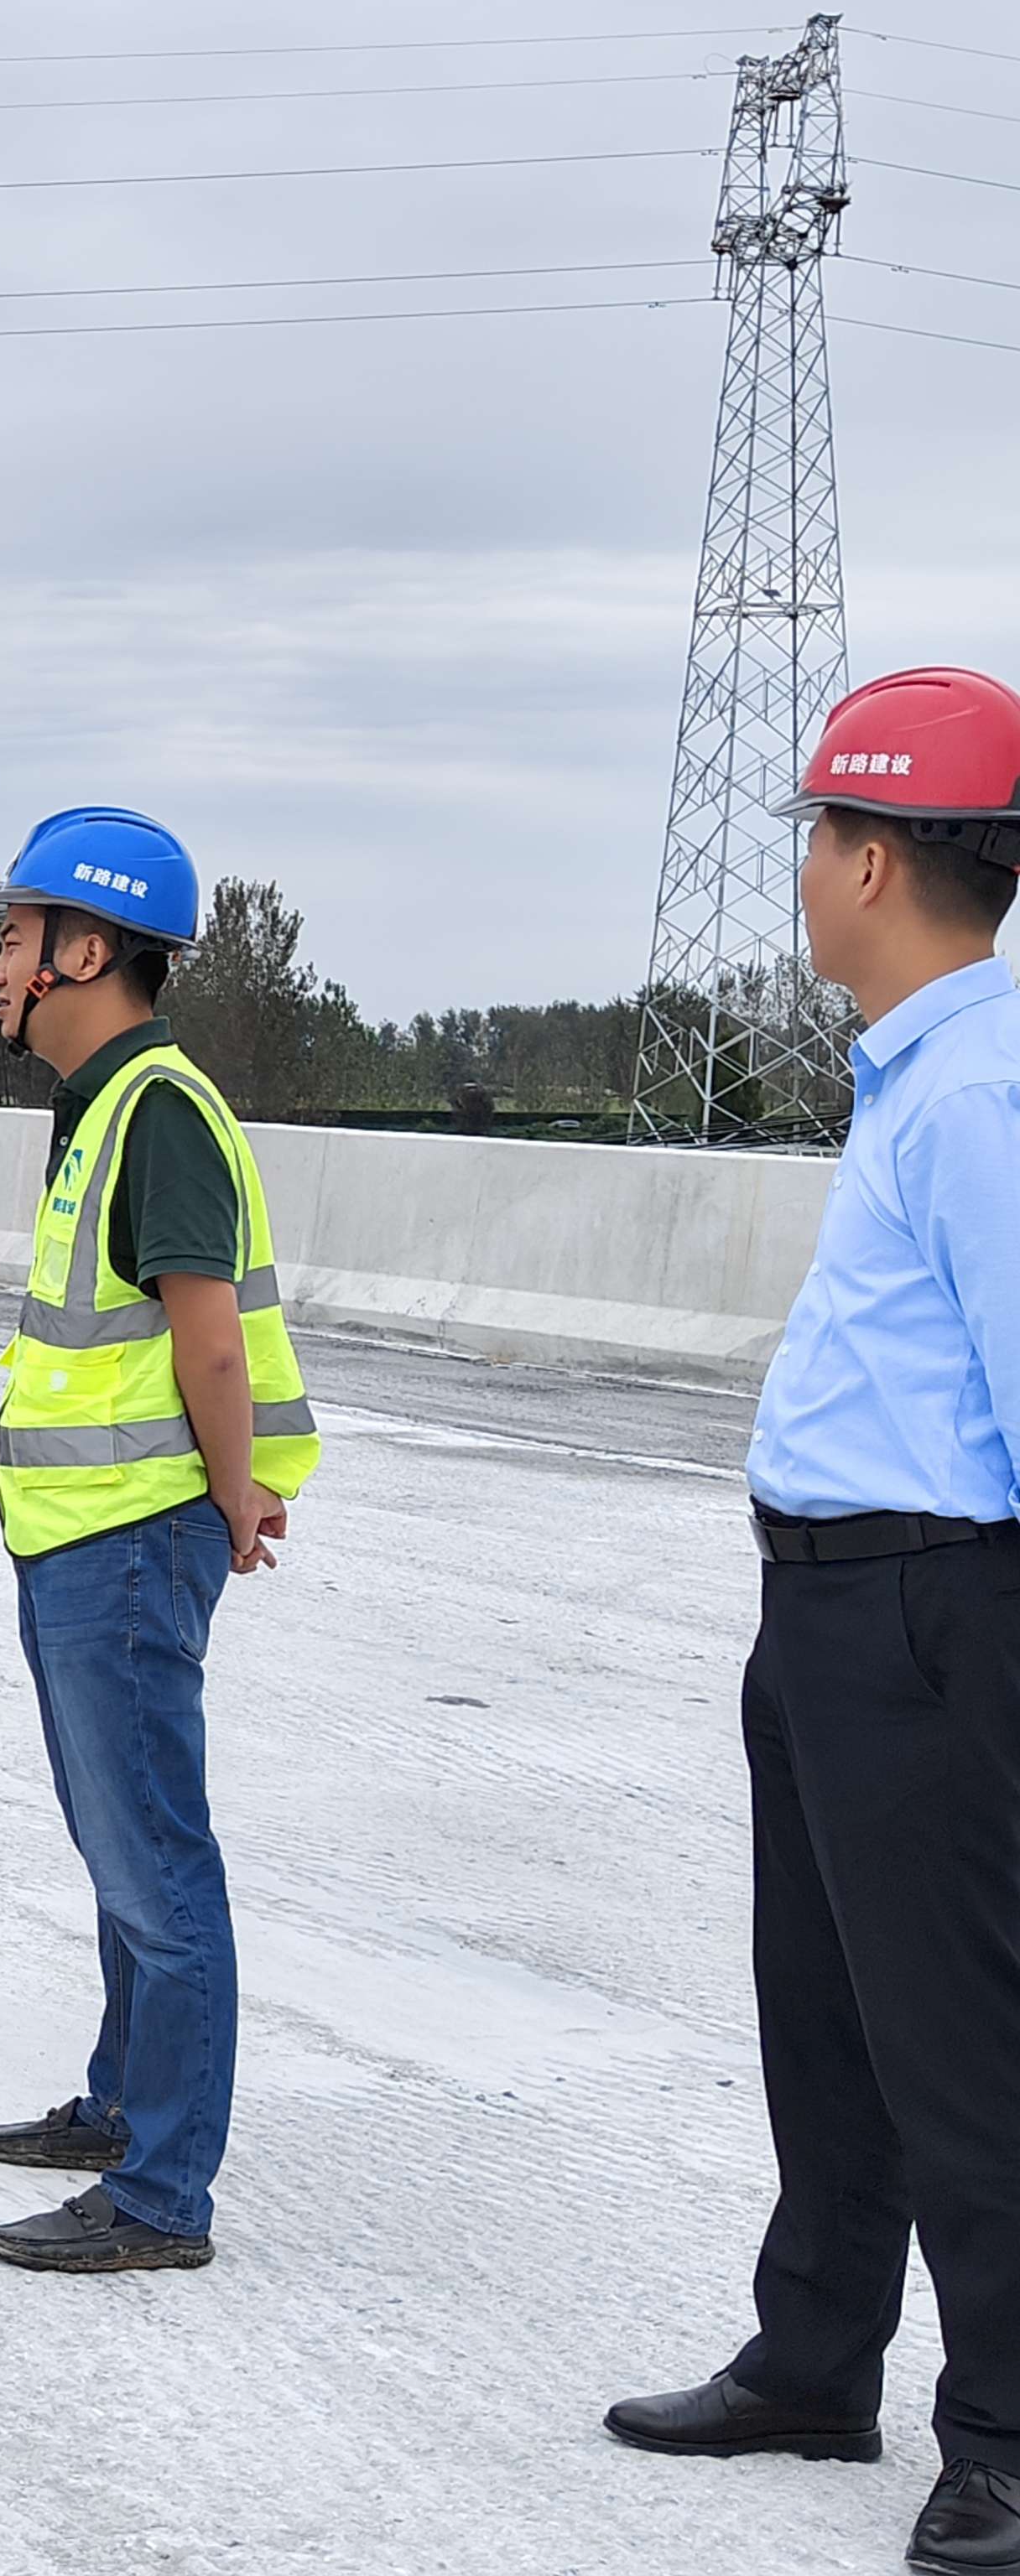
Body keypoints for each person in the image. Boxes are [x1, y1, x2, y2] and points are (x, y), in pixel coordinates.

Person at [606, 667, 1020, 2576]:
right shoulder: (926, 1070)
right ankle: (815, 2351)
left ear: (869, 858)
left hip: (930, 1610)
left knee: (957, 2040)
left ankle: (1002, 2438)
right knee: (830, 2016)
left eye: (816, 839)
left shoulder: (985, 1089)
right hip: (833, 1606)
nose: (802, 874)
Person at [0, 808, 319, 2274]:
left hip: (126, 1541)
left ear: (85, 948)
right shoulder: (103, 1104)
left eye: (14, 938)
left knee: (160, 1865)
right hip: (76, 1536)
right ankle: (120, 2106)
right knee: (121, 1851)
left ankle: (164, 2190)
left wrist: (233, 1495)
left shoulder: (157, 1107)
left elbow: (208, 1340)